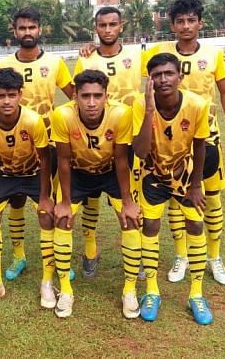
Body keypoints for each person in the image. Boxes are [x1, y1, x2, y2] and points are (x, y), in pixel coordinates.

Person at [144, 0, 225, 285]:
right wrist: (88, 50)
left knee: (211, 199)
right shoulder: (156, 52)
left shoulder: (214, 55)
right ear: (172, 25)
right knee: (176, 201)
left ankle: (214, 257)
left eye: (191, 20)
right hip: (170, 141)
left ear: (200, 23)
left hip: (205, 138)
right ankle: (181, 256)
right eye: (180, 21)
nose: (186, 26)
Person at [50, 70, 139, 318]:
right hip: (77, 172)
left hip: (111, 172)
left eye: (97, 96)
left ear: (106, 96)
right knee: (62, 220)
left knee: (131, 220)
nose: (91, 103)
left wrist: (128, 201)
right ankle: (66, 291)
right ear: (75, 96)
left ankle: (129, 290)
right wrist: (65, 202)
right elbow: (64, 161)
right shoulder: (62, 115)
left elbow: (122, 160)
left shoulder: (120, 114)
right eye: (85, 96)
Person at [132, 52, 213, 325]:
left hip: (185, 173)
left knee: (195, 226)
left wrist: (196, 185)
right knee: (151, 227)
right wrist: (149, 110)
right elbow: (141, 151)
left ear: (180, 76)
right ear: (149, 80)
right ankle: (152, 291)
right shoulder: (139, 104)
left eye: (168, 73)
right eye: (156, 75)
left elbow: (201, 146)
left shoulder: (197, 105)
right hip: (153, 172)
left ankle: (196, 294)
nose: (163, 79)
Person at [0, 7, 74, 281]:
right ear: (14, 31)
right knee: (15, 201)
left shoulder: (55, 63)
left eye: (32, 27)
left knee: (48, 203)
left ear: (40, 30)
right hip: (11, 146)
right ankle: (19, 256)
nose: (27, 32)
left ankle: (56, 257)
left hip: (47, 144)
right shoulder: (5, 64)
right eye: (22, 28)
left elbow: (74, 95)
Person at [73, 6, 147, 279]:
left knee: (129, 200)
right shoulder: (86, 60)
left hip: (129, 138)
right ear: (96, 28)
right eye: (102, 25)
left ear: (121, 26)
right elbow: (77, 97)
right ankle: (91, 251)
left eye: (112, 24)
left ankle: (135, 255)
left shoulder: (137, 56)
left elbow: (170, 61)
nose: (107, 30)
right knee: (90, 199)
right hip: (96, 138)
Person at [0, 68, 55, 309]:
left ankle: (47, 282)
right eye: (1, 96)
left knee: (46, 216)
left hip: (32, 173)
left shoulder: (32, 120)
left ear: (20, 94)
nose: (6, 101)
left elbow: (45, 160)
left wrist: (44, 196)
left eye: (11, 95)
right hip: (4, 174)